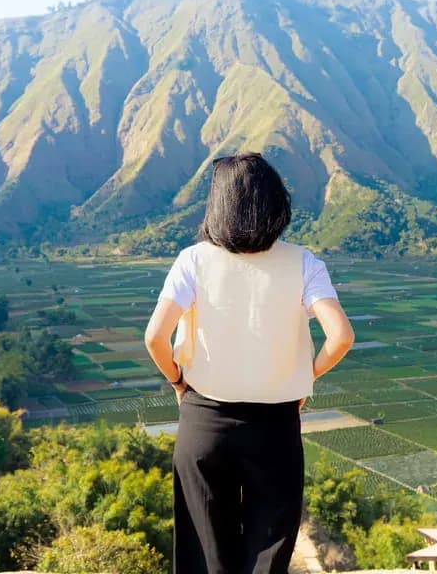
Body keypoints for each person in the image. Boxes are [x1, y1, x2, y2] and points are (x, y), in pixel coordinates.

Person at [145, 152, 355, 574]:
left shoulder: (193, 260)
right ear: (276, 202)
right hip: (276, 425)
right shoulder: (304, 263)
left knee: (206, 557)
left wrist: (178, 382)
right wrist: (305, 376)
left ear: (218, 204)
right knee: (267, 556)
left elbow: (154, 337)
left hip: (204, 420)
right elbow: (341, 337)